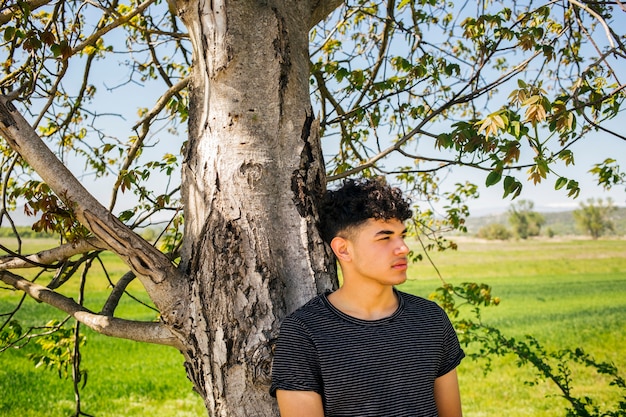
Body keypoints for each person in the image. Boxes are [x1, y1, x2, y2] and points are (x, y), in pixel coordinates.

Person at [270, 177, 465, 417]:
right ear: (343, 249)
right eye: (385, 238)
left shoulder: (430, 319)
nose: (403, 248)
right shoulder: (304, 332)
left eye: (402, 235)